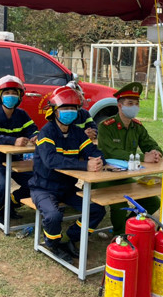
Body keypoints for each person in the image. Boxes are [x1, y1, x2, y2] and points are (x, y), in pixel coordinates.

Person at [29, 86, 107, 263]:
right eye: (64, 108)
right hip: (43, 188)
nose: (69, 111)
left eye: (73, 108)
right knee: (53, 216)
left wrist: (99, 160)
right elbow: (51, 160)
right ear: (54, 110)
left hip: (67, 188)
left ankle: (71, 237)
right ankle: (53, 244)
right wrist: (85, 165)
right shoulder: (46, 132)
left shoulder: (77, 133)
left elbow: (93, 150)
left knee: (97, 210)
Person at [97, 81, 163, 235]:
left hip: (125, 177)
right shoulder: (106, 126)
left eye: (137, 103)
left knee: (152, 202)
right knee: (119, 204)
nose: (134, 107)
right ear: (120, 105)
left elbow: (150, 144)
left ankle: (128, 226)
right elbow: (111, 152)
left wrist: (156, 153)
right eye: (130, 103)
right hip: (104, 177)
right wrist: (143, 157)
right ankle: (119, 235)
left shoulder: (137, 127)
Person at [0, 75, 39, 223]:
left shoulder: (22, 115)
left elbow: (33, 130)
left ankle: (12, 202)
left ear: (19, 97)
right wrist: (13, 141)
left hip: (14, 159)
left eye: (14, 93)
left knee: (36, 182)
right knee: (0, 184)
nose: (10, 96)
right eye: (6, 93)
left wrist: (35, 137)